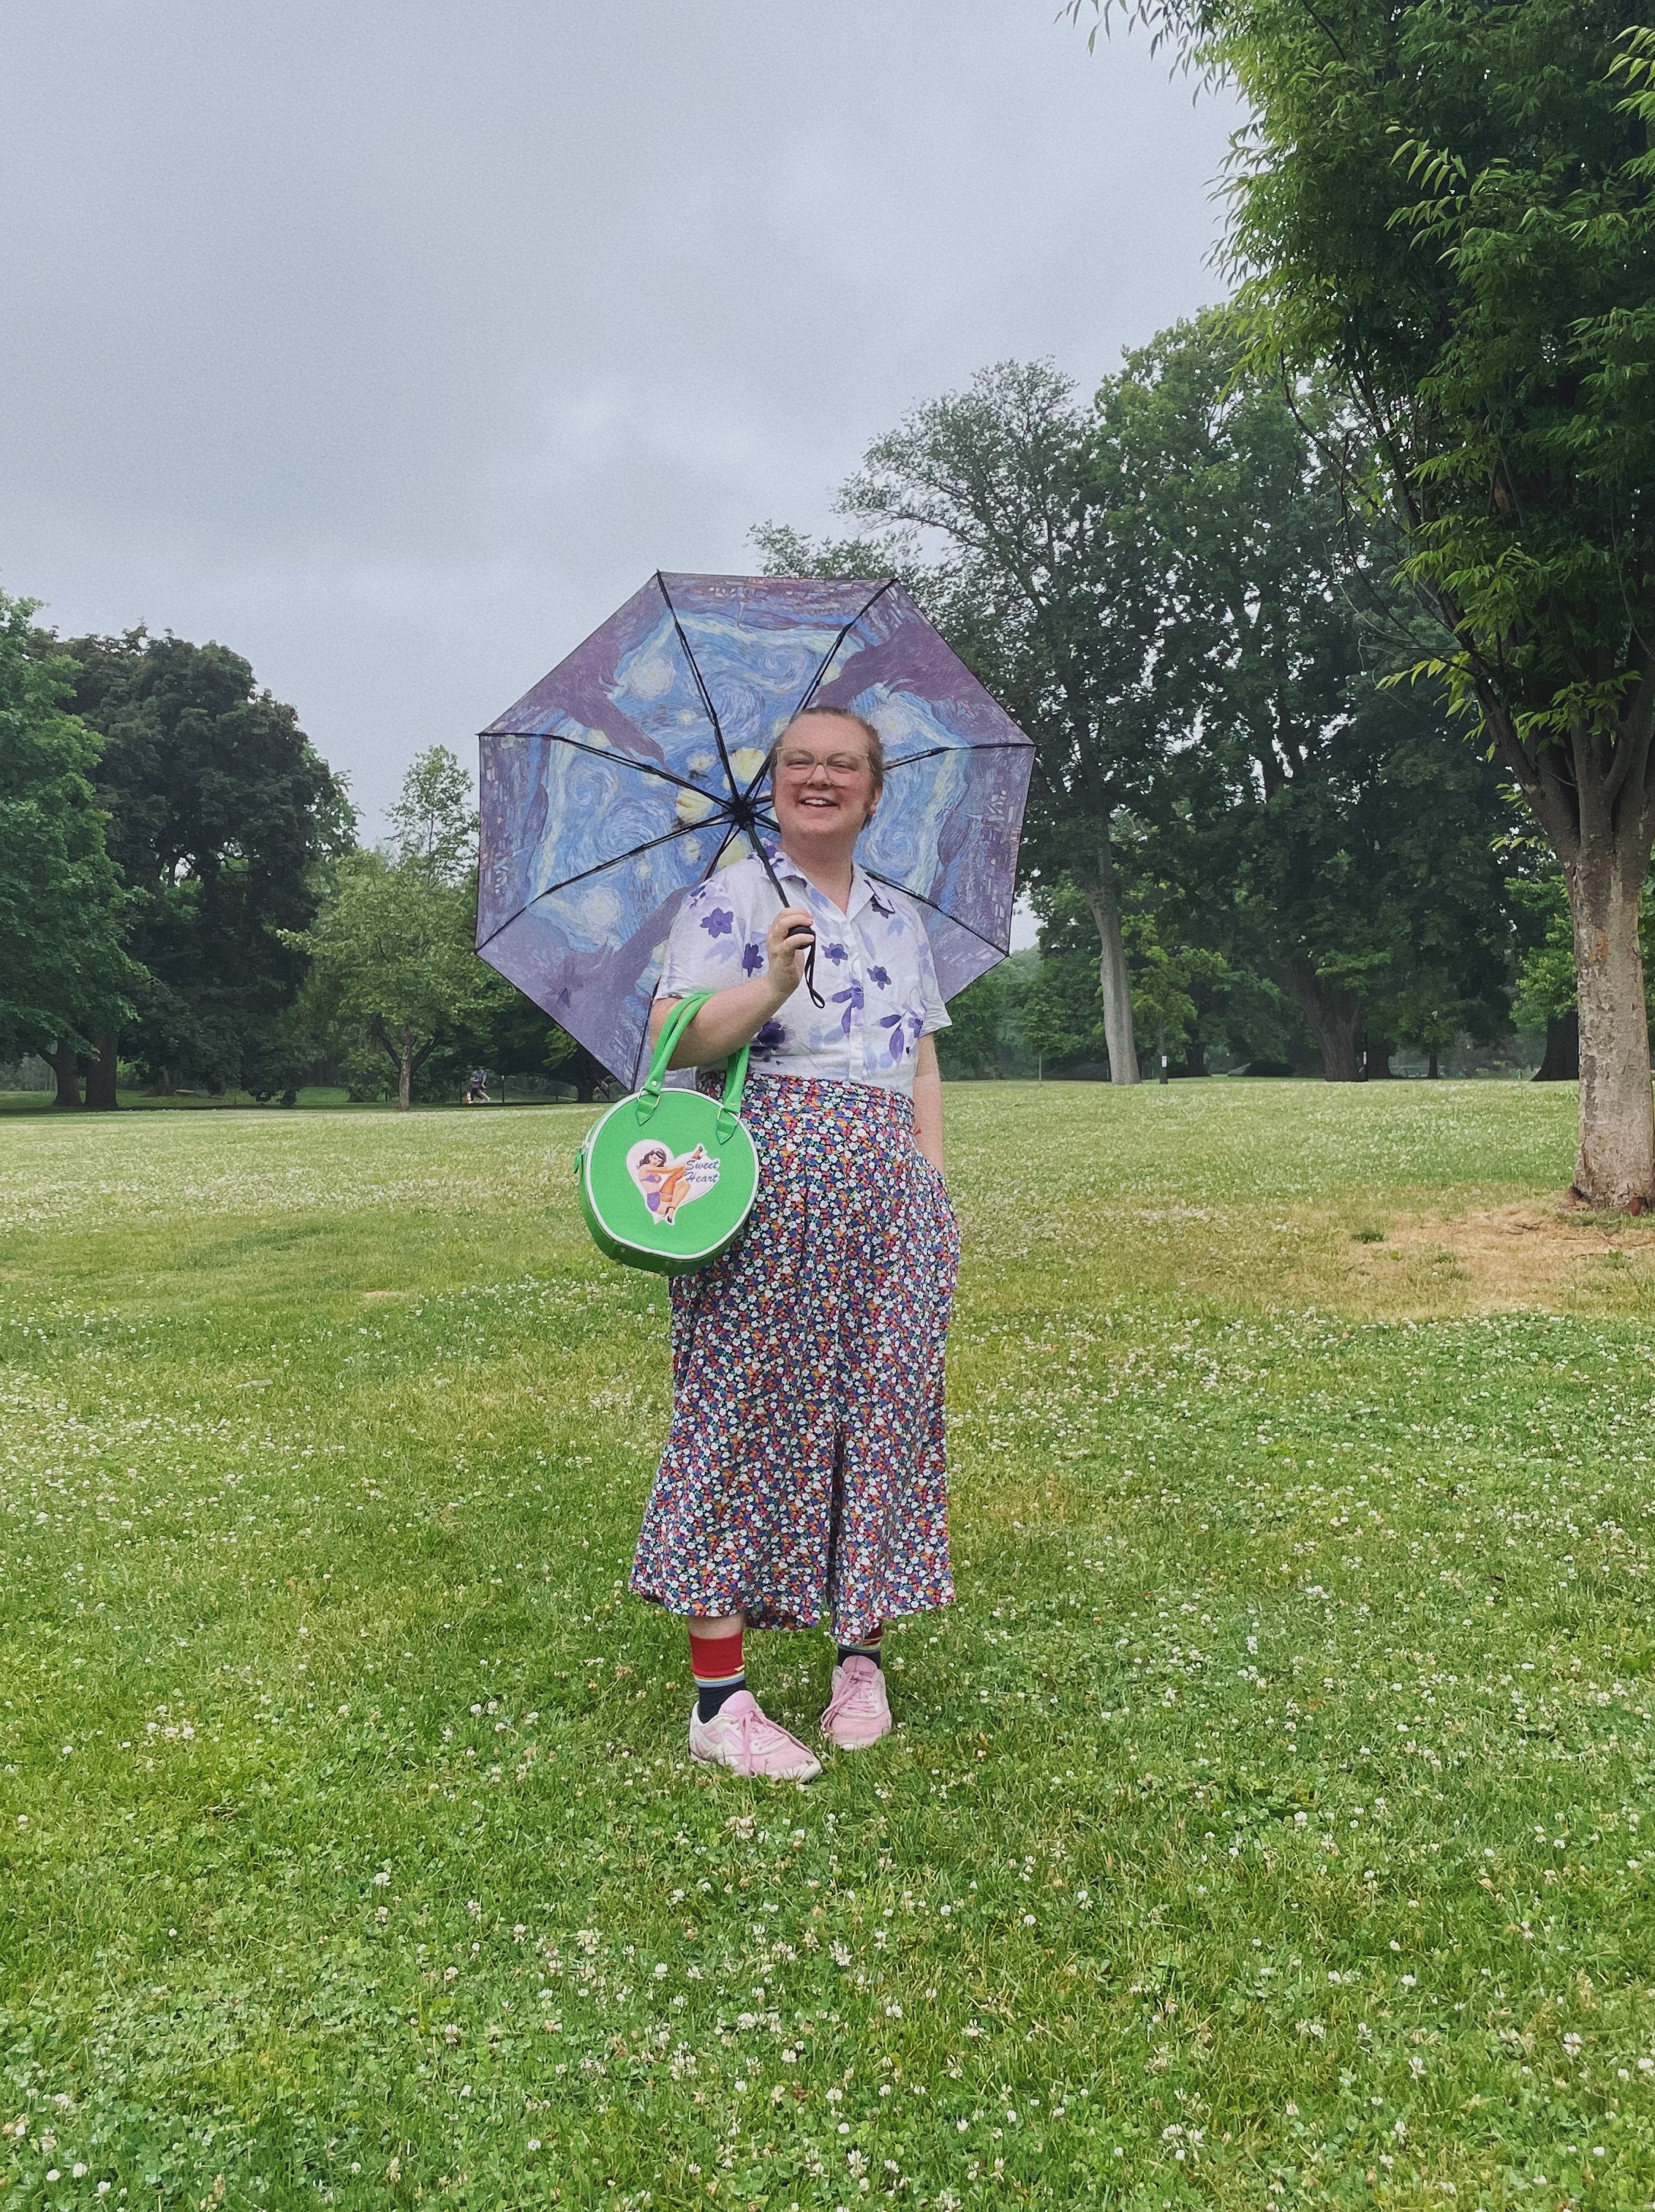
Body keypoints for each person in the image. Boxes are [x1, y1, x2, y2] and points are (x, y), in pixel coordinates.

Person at [629, 706, 960, 1780]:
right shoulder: (727, 900)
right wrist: (770, 982)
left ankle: (858, 1653)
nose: (820, 777)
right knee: (744, 1408)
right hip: (766, 1174)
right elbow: (672, 1043)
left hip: (889, 1191)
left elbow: (919, 1064)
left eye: (843, 766)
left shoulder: (904, 921)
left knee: (883, 1409)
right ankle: (719, 1702)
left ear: (875, 792)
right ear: (773, 785)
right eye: (800, 763)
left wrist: (932, 1185)